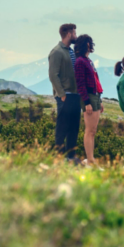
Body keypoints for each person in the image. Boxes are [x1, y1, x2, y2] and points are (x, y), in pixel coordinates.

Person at [48, 23, 80, 161]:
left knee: (74, 127)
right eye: (74, 33)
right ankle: (59, 158)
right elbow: (53, 75)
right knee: (62, 128)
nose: (76, 36)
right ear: (68, 34)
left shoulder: (71, 51)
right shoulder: (56, 52)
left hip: (75, 95)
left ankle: (71, 157)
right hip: (65, 96)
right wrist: (61, 94)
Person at [73, 34, 104, 166]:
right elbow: (80, 83)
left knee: (93, 130)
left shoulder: (88, 60)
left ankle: (91, 159)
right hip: (89, 97)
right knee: (89, 130)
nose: (92, 46)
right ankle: (90, 161)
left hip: (95, 95)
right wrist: (86, 102)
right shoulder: (80, 61)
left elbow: (95, 80)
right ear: (86, 44)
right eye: (90, 43)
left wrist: (100, 100)